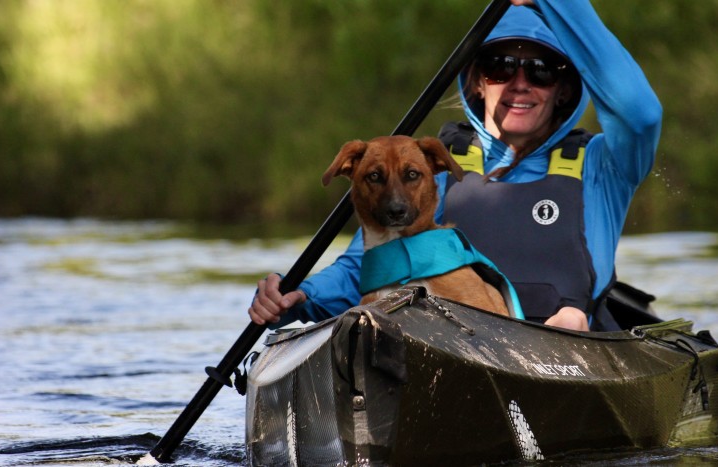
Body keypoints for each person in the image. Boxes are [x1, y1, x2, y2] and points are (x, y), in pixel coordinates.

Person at [249, 0, 661, 332]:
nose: (520, 83)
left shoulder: (603, 165)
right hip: (458, 344)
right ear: (478, 81)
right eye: (500, 67)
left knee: (570, 323)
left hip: (564, 346)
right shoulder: (433, 165)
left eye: (541, 71)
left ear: (565, 87)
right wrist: (301, 296)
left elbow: (640, 113)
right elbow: (369, 265)